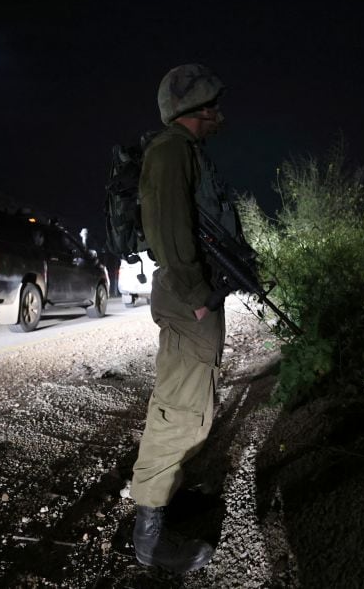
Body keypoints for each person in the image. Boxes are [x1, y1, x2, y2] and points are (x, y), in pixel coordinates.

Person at [130, 63, 238, 573]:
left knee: (194, 400)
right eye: (212, 103)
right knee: (180, 408)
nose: (220, 112)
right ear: (196, 107)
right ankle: (148, 537)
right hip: (187, 295)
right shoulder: (171, 150)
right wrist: (197, 293)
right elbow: (169, 229)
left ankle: (166, 499)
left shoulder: (186, 151)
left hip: (196, 295)